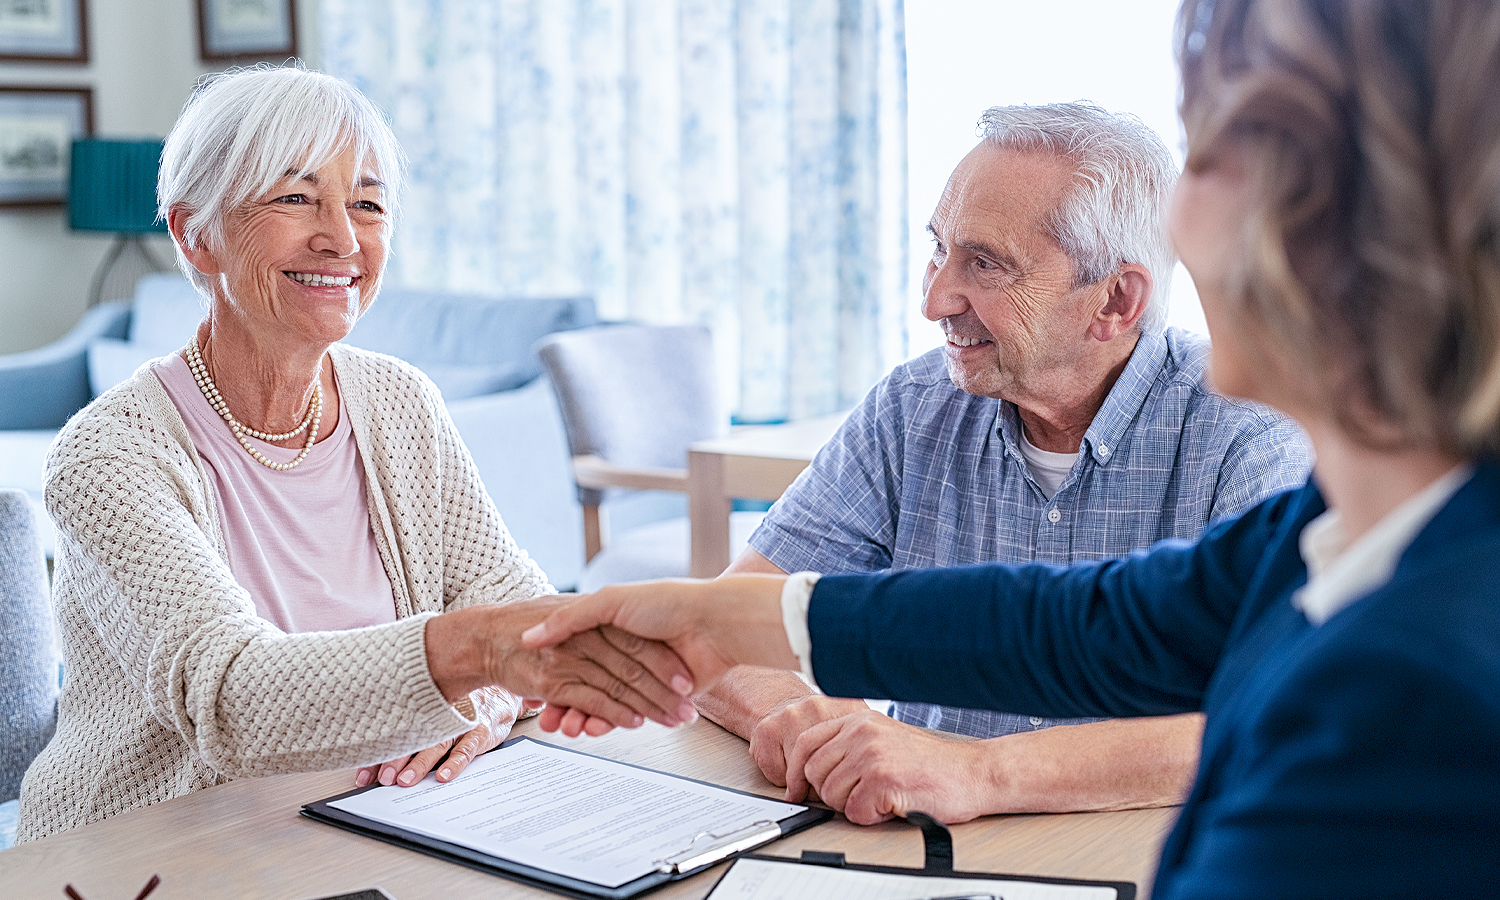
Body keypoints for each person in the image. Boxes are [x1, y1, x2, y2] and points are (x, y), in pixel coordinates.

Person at [523, 0, 1500, 894]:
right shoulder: (1331, 529)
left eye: (1209, 154)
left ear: (1331, 233)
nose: (1180, 224)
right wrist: (724, 619)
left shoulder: (1413, 690)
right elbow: (1082, 627)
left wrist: (977, 768)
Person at [15, 67, 690, 843]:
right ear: (194, 234)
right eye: (295, 197)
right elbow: (230, 701)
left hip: (371, 822)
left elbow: (518, 613)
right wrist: (474, 656)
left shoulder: (400, 402)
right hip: (157, 850)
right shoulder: (108, 456)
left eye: (367, 204)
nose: (342, 239)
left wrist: (483, 697)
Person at [701, 102, 1311, 823]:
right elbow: (728, 624)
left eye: (985, 264)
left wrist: (982, 773)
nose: (934, 301)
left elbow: (1279, 709)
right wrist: (811, 720)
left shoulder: (1247, 432)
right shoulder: (912, 406)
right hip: (916, 849)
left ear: (1116, 300)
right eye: (939, 250)